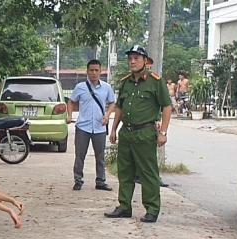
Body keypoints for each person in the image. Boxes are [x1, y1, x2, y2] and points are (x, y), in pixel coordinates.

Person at [105, 45, 172, 223]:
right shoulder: (126, 82)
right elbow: (119, 107)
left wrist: (163, 132)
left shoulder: (155, 81)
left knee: (148, 172)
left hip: (145, 132)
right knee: (125, 172)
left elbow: (167, 106)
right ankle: (124, 206)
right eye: (130, 59)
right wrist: (114, 129)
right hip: (127, 133)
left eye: (136, 58)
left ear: (145, 61)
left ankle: (152, 209)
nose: (133, 62)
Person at [67, 59, 116, 191]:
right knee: (80, 155)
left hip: (100, 127)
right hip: (83, 126)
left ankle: (100, 181)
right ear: (87, 72)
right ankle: (78, 180)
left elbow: (112, 103)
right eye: (91, 70)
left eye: (96, 70)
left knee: (100, 156)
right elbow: (71, 102)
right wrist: (70, 115)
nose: (94, 73)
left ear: (101, 72)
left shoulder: (106, 88)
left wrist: (107, 115)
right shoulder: (80, 88)